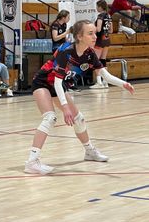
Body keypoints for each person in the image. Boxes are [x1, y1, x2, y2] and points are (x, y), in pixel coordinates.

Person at [24, 20, 134, 175]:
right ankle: (31, 162)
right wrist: (65, 107)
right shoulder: (66, 51)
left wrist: (123, 84)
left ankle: (89, 151)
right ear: (79, 36)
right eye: (90, 33)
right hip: (43, 82)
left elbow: (104, 75)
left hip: (59, 86)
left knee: (79, 119)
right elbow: (57, 82)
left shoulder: (89, 54)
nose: (95, 36)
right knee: (50, 118)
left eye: (95, 33)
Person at [90, 0, 112, 89]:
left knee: (96, 61)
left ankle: (99, 82)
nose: (96, 8)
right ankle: (105, 82)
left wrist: (91, 28)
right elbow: (111, 30)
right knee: (103, 60)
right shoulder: (108, 15)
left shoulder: (100, 16)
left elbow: (98, 29)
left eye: (97, 6)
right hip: (107, 39)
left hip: (99, 40)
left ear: (100, 7)